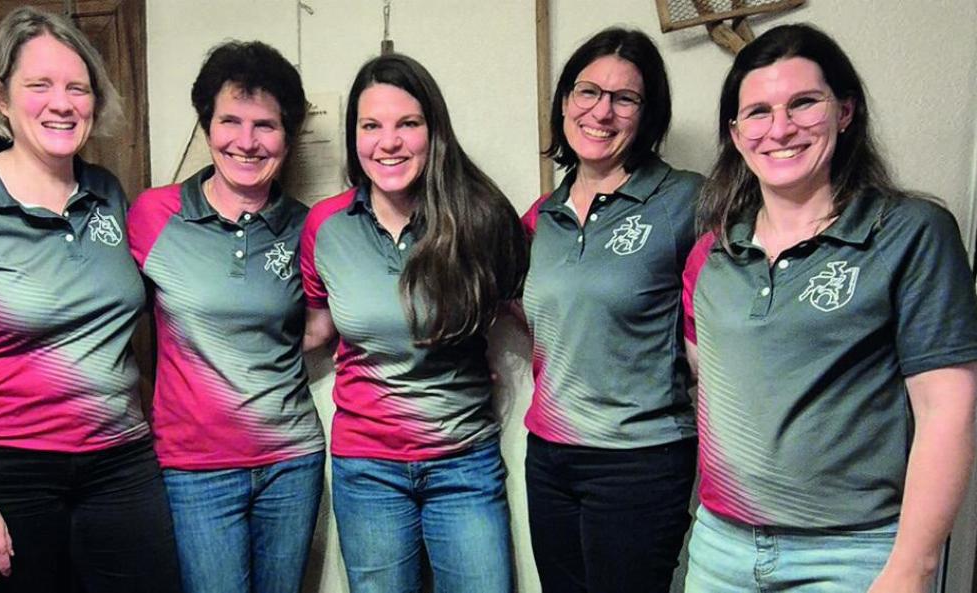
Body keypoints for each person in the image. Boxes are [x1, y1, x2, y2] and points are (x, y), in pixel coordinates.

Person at [682, 23, 977, 592]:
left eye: (803, 103)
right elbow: (710, 378)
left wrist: (912, 566)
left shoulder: (910, 233)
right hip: (720, 548)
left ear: (844, 112)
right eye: (758, 112)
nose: (781, 129)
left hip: (852, 554)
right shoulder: (711, 254)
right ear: (737, 135)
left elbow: (948, 410)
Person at [0, 7, 180, 593]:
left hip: (120, 461)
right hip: (4, 468)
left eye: (78, 87)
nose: (62, 103)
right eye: (40, 85)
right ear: (0, 95)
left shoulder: (105, 192)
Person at [299, 53, 527, 593]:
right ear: (354, 136)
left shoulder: (480, 218)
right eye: (370, 126)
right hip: (367, 470)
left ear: (434, 130)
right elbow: (317, 329)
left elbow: (538, 312)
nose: (388, 142)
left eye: (408, 123)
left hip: (463, 463)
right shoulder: (326, 226)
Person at [127, 40, 325, 593]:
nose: (246, 141)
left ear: (288, 135)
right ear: (206, 125)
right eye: (230, 121)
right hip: (193, 469)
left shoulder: (309, 227)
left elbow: (322, 324)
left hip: (292, 461)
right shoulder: (153, 215)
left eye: (265, 125)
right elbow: (106, 316)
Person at [519, 27, 701, 593]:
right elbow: (528, 309)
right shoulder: (542, 216)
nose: (602, 111)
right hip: (549, 456)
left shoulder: (686, 199)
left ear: (648, 114)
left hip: (639, 460)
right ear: (564, 102)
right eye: (588, 92)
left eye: (625, 98)